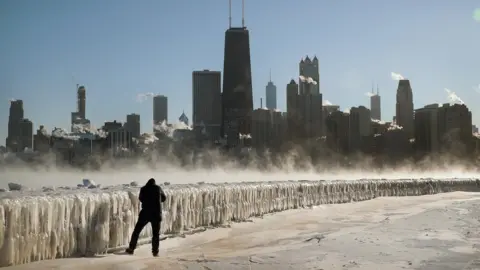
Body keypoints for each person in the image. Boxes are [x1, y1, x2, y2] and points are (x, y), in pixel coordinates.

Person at [126, 178, 167, 256]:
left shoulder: (143, 189)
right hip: (156, 214)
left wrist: (147, 201)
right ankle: (155, 252)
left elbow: (141, 198)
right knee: (155, 234)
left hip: (145, 213)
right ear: (154, 183)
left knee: (137, 231)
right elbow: (164, 198)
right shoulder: (158, 188)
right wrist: (157, 200)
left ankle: (131, 248)